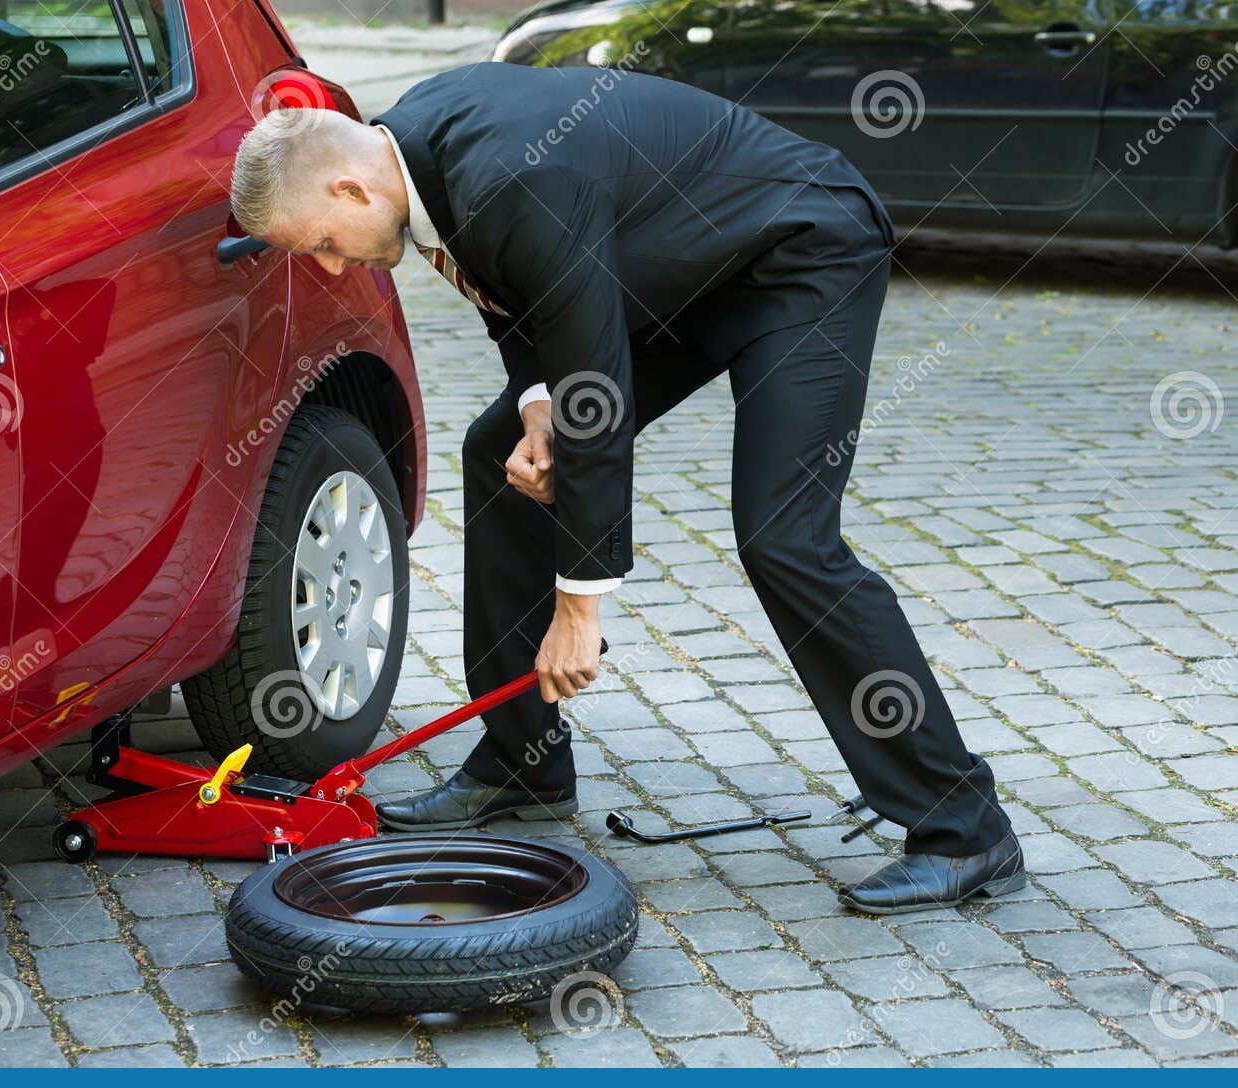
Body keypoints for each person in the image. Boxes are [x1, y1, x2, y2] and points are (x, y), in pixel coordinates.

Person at [226, 63, 1024, 914]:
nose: (335, 265)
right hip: (679, 266)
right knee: (499, 449)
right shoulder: (409, 157)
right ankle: (522, 763)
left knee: (785, 539)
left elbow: (595, 398)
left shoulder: (514, 178)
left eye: (322, 243)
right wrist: (535, 407)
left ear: (349, 186)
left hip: (800, 251)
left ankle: (963, 829)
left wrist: (581, 605)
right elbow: (514, 294)